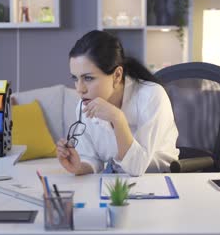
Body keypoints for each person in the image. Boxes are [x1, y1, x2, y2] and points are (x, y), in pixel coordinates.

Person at [56, 30, 179, 176]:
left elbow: (136, 167)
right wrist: (77, 167)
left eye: (88, 78)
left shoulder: (151, 96)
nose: (80, 89)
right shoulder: (84, 106)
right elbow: (93, 159)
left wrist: (117, 119)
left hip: (160, 182)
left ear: (117, 75)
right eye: (75, 79)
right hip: (117, 183)